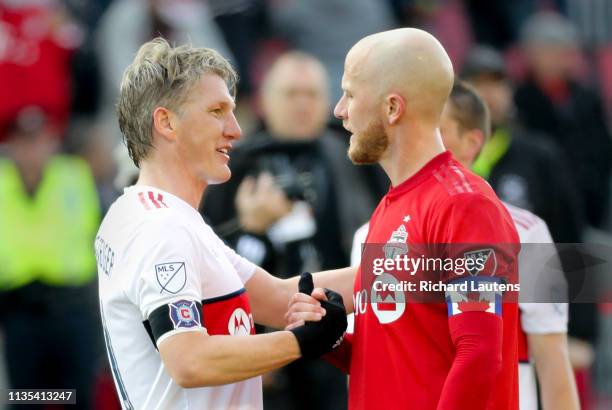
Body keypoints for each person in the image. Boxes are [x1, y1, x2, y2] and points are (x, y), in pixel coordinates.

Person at [96, 38, 347, 410]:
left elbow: (280, 299)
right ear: (165, 122)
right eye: (216, 111)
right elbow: (189, 361)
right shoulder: (161, 228)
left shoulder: (155, 213)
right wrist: (299, 342)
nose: (236, 130)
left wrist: (419, 268)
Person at [286, 28, 521, 410]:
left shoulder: (465, 206)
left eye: (350, 94)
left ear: (392, 108)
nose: (339, 110)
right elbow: (393, 359)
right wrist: (329, 340)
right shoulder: (391, 206)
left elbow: (479, 355)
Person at [203, 51, 380, 410]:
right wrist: (252, 228)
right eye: (290, 94)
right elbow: (210, 263)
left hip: (340, 331)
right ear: (265, 101)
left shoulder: (356, 157)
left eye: (311, 94)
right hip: (268, 338)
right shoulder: (231, 162)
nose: (302, 104)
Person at [438, 81, 579, 410]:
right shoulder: (373, 234)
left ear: (472, 142)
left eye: (437, 130)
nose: (422, 142)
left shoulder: (525, 232)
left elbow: (552, 358)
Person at [0, 106, 102, 410]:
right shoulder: (3, 182)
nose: (32, 150)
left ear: (52, 141)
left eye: (39, 139)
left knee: (78, 396)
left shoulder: (73, 176)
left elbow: (88, 232)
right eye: (24, 141)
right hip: (20, 310)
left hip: (71, 308)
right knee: (25, 399)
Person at [461, 45, 584, 244]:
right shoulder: (440, 159)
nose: (488, 93)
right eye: (476, 83)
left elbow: (568, 237)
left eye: (496, 83)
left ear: (510, 92)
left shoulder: (541, 156)